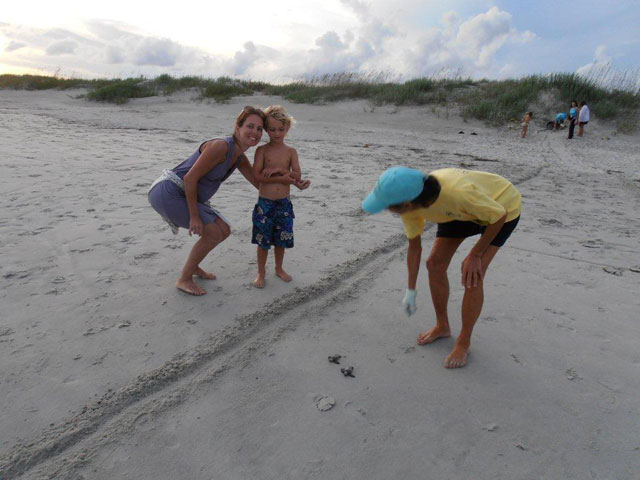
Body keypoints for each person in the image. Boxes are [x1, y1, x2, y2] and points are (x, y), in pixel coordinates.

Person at [362, 167, 521, 369]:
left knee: (473, 273)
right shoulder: (411, 205)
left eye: (387, 205)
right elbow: (414, 247)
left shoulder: (457, 194)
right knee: (434, 264)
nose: (386, 209)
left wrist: (476, 254)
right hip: (458, 212)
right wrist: (411, 290)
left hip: (500, 207)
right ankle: (442, 326)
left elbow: (498, 215)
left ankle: (464, 342)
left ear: (405, 203)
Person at [148, 106, 266, 296]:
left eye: (259, 129)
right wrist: (194, 216)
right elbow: (189, 179)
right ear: (237, 127)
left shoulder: (239, 157)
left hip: (184, 193)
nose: (255, 132)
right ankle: (184, 279)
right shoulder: (221, 146)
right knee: (212, 232)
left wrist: (287, 183)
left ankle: (193, 267)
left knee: (224, 230)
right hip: (169, 192)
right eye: (250, 126)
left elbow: (258, 184)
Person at [251, 105, 311, 288]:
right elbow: (257, 176)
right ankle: (261, 272)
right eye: (272, 129)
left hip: (284, 204)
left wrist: (279, 171)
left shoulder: (290, 151)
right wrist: (284, 177)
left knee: (281, 239)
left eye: (281, 129)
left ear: (287, 129)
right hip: (265, 204)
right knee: (263, 241)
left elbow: (297, 175)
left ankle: (279, 268)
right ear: (266, 129)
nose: (276, 133)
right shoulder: (262, 151)